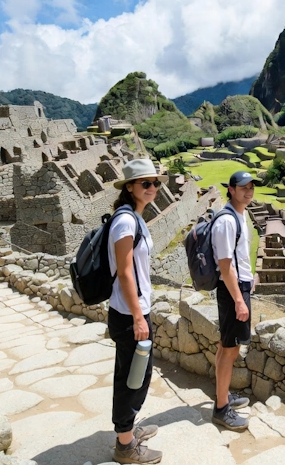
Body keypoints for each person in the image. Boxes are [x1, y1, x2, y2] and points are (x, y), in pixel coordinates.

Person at [108, 158, 167, 464]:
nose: (152, 188)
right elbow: (126, 271)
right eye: (146, 184)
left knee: (137, 375)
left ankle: (129, 430)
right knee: (131, 378)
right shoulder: (125, 221)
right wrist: (137, 316)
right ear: (130, 187)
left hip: (134, 311)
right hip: (129, 314)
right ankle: (125, 446)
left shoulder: (135, 217)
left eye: (155, 183)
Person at [210, 170, 260, 431]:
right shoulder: (227, 221)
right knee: (231, 350)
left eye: (251, 186)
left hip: (238, 286)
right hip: (232, 290)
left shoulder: (240, 215)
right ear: (230, 189)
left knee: (225, 345)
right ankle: (221, 409)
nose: (248, 191)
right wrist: (240, 300)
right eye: (243, 187)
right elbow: (225, 265)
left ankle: (223, 394)